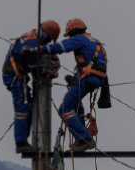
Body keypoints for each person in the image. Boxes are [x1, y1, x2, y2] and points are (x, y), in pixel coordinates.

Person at [35, 18, 108, 152]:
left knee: (65, 109)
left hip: (89, 79)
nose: (71, 37)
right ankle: (81, 137)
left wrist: (40, 48)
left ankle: (84, 139)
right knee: (75, 104)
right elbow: (94, 65)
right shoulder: (96, 42)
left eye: (70, 35)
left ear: (74, 31)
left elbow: (62, 47)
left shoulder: (80, 39)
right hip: (97, 79)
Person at [2, 21, 61, 154]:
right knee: (22, 110)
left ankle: (24, 140)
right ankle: (21, 143)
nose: (48, 41)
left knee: (29, 107)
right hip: (15, 78)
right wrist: (49, 73)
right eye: (49, 39)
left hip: (17, 76)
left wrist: (51, 54)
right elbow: (35, 69)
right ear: (46, 35)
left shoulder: (30, 37)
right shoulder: (33, 43)